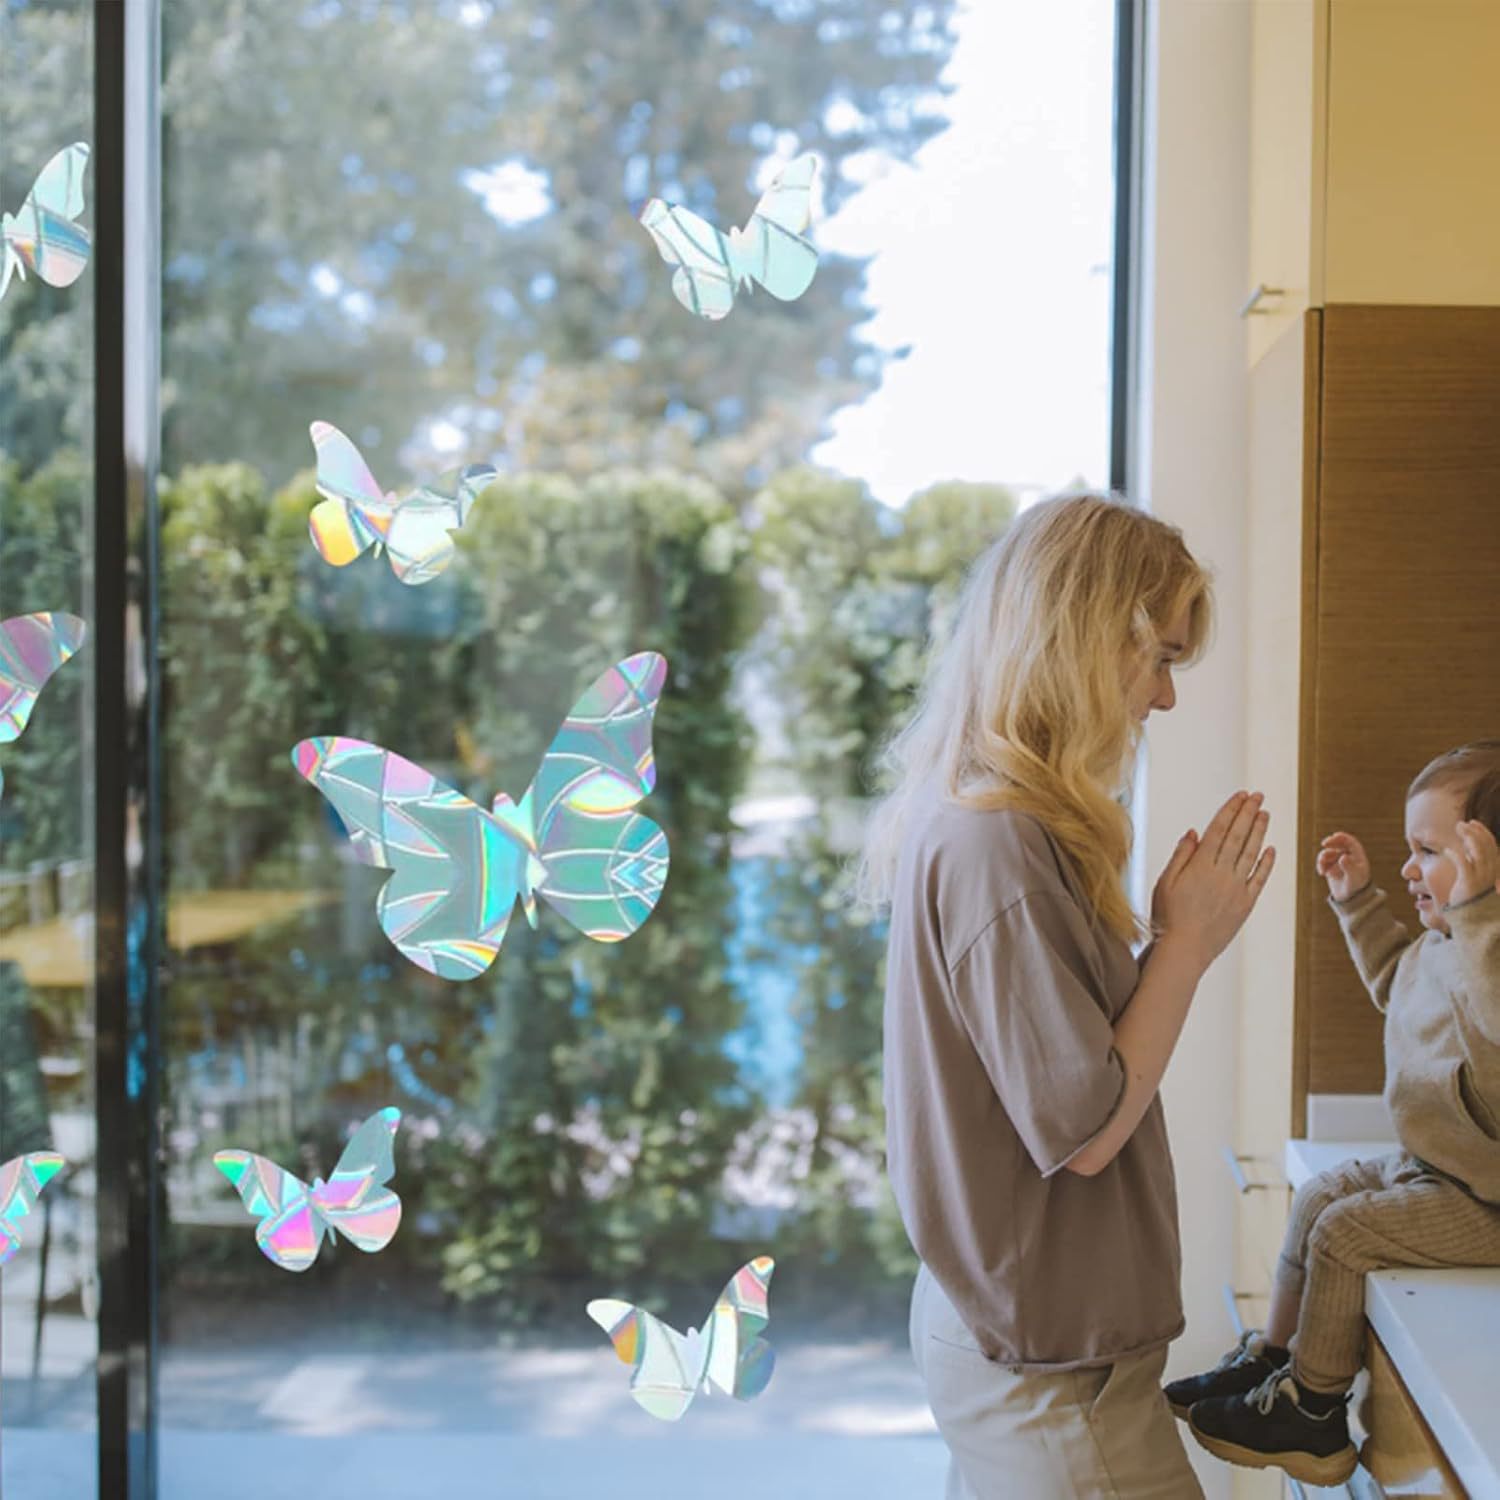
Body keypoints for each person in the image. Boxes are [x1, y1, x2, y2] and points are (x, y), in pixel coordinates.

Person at [863, 492, 1275, 1499]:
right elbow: (1085, 1128)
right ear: (1086, 643)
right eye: (1160, 657)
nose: (1165, 697)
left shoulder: (994, 823)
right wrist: (1186, 944)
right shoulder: (998, 844)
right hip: (1048, 1373)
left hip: (1019, 1337)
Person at [1179, 741, 1500, 1488]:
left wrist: (1480, 917)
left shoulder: (1487, 959)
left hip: (1487, 1202)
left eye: (1429, 852)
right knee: (1320, 1196)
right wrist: (1358, 901)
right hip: (1442, 1171)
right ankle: (1275, 1358)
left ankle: (1313, 1411)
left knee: (1345, 1233)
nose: (1409, 868)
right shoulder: (1444, 943)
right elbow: (1393, 980)